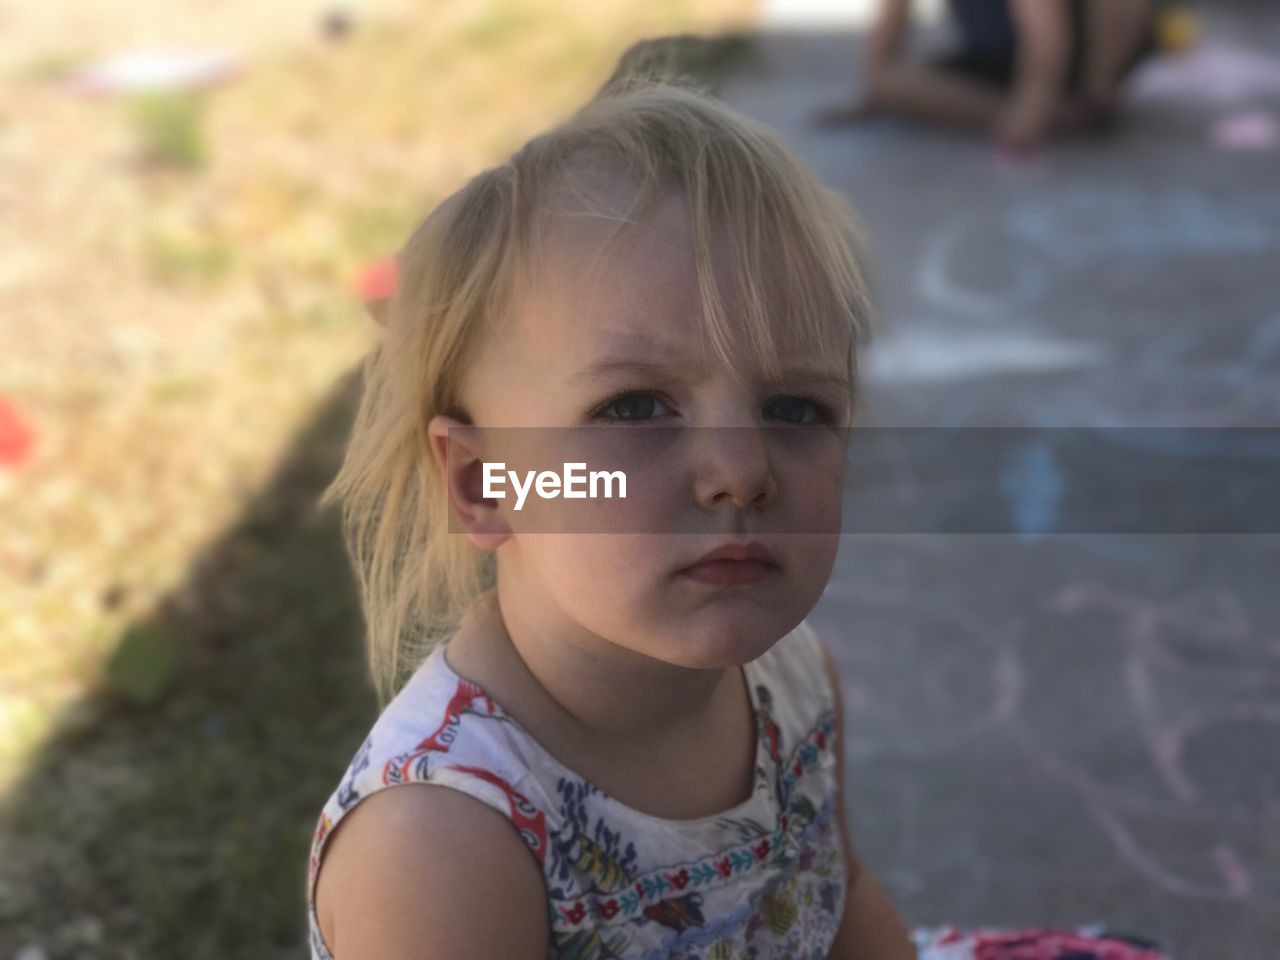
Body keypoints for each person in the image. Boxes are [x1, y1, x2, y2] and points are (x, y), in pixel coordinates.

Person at [305, 71, 918, 958]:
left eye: (796, 409)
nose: (740, 473)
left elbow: (844, 902)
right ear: (484, 484)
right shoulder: (442, 842)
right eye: (635, 408)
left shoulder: (792, 678)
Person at [815, 0, 1161, 151]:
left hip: (1065, 57)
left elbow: (1046, 35)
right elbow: (892, 21)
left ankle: (1092, 96)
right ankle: (1070, 116)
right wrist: (873, 92)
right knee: (891, 85)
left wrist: (1034, 106)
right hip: (996, 60)